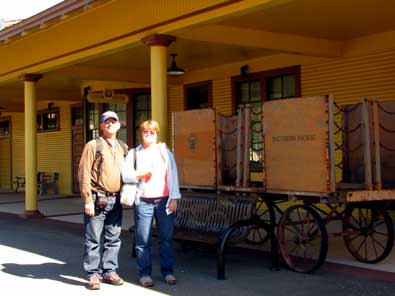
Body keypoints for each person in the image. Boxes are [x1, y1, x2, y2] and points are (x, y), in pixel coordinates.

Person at [122, 120, 181, 287]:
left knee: (166, 238)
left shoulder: (165, 152)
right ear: (141, 133)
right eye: (145, 132)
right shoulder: (134, 153)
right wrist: (141, 174)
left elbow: (173, 175)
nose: (148, 134)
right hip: (143, 201)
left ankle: (168, 272)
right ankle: (145, 273)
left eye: (152, 132)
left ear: (157, 134)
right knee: (143, 240)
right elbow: (125, 176)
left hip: (164, 201)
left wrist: (174, 198)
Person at [78, 111, 127, 290]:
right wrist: (87, 200)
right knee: (93, 239)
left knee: (113, 239)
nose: (110, 124)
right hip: (97, 199)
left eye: (113, 121)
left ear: (119, 124)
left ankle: (109, 272)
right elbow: (84, 173)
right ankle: (93, 274)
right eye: (107, 121)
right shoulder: (93, 145)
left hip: (116, 200)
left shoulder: (123, 146)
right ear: (101, 125)